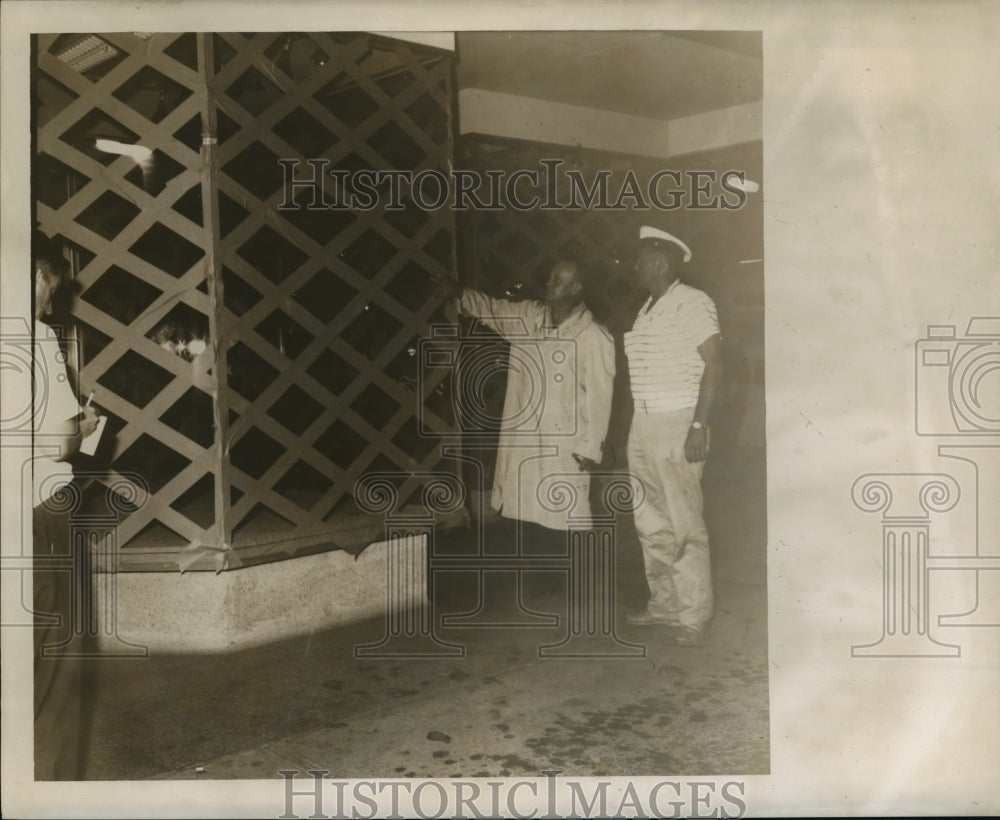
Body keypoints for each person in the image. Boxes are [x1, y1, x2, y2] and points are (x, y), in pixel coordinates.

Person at [432, 258, 616, 546]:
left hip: (566, 442)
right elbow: (493, 309)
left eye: (558, 279)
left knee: (563, 513)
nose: (549, 282)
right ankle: (536, 573)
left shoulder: (593, 336)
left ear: (576, 288)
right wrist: (461, 293)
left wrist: (590, 447)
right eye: (550, 277)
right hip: (528, 434)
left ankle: (568, 575)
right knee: (526, 510)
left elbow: (601, 395)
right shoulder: (528, 316)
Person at [624, 225, 724, 645]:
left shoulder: (693, 302)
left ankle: (693, 613)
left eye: (641, 260)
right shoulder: (648, 307)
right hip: (643, 423)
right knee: (650, 520)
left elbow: (716, 366)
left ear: (660, 262)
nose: (635, 267)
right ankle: (664, 605)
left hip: (679, 421)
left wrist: (698, 425)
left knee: (685, 522)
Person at [32, 231, 100, 779]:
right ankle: (50, 794)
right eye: (50, 288)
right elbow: (60, 443)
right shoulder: (33, 337)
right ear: (34, 275)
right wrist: (86, 426)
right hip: (39, 516)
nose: (51, 303)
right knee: (55, 661)